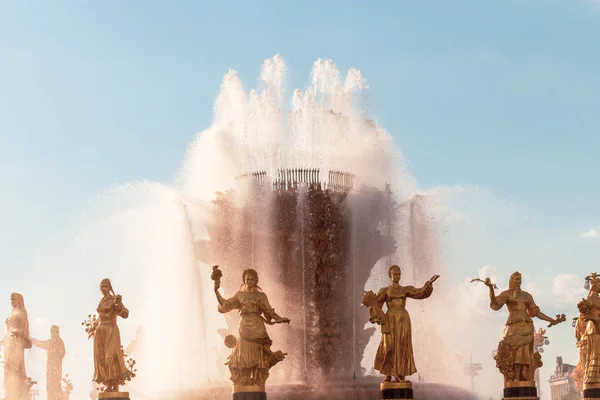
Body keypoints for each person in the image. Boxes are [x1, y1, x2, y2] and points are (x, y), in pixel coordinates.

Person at [214, 267, 290, 387]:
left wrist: (279, 318)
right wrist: (216, 289)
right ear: (244, 280)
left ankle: (258, 376)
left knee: (259, 351)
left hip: (258, 325)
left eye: (251, 279)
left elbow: (269, 311)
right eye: (247, 279)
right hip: (244, 325)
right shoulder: (239, 295)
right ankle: (243, 376)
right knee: (242, 352)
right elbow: (225, 304)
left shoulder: (261, 296)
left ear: (256, 280)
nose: (249, 281)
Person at [363, 265, 440, 383]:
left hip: (403, 320)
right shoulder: (385, 291)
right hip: (389, 320)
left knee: (402, 346)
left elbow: (420, 293)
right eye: (395, 274)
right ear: (390, 275)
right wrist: (379, 316)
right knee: (388, 346)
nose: (397, 276)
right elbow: (376, 305)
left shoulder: (405, 289)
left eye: (399, 274)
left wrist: (428, 284)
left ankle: (401, 374)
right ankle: (388, 374)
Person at [485, 271, 564, 382]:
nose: (519, 281)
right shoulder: (506, 294)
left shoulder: (527, 296)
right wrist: (491, 289)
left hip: (527, 327)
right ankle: (514, 378)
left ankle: (525, 378)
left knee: (525, 355)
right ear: (512, 280)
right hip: (513, 327)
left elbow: (536, 312)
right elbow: (495, 305)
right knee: (513, 353)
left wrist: (551, 320)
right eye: (516, 279)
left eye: (520, 279)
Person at [91, 278, 133, 392]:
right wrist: (94, 326)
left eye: (105, 286)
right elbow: (100, 316)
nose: (103, 289)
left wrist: (119, 304)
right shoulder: (101, 301)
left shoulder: (114, 299)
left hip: (111, 330)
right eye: (101, 287)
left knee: (110, 356)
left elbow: (124, 314)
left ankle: (113, 383)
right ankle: (108, 383)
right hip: (100, 331)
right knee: (101, 357)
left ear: (109, 287)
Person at [2, 292, 32, 400]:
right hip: (9, 343)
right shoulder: (12, 312)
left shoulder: (22, 313)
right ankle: (9, 393)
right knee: (8, 367)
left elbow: (25, 330)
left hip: (16, 342)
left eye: (13, 299)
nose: (12, 302)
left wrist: (19, 333)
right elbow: (9, 330)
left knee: (15, 367)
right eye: (11, 300)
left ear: (19, 300)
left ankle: (17, 393)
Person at [31, 325, 66, 400]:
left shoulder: (54, 341)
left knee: (52, 387)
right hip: (56, 368)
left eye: (53, 331)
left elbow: (42, 344)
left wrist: (33, 340)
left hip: (53, 369)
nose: (52, 333)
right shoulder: (60, 341)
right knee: (55, 386)